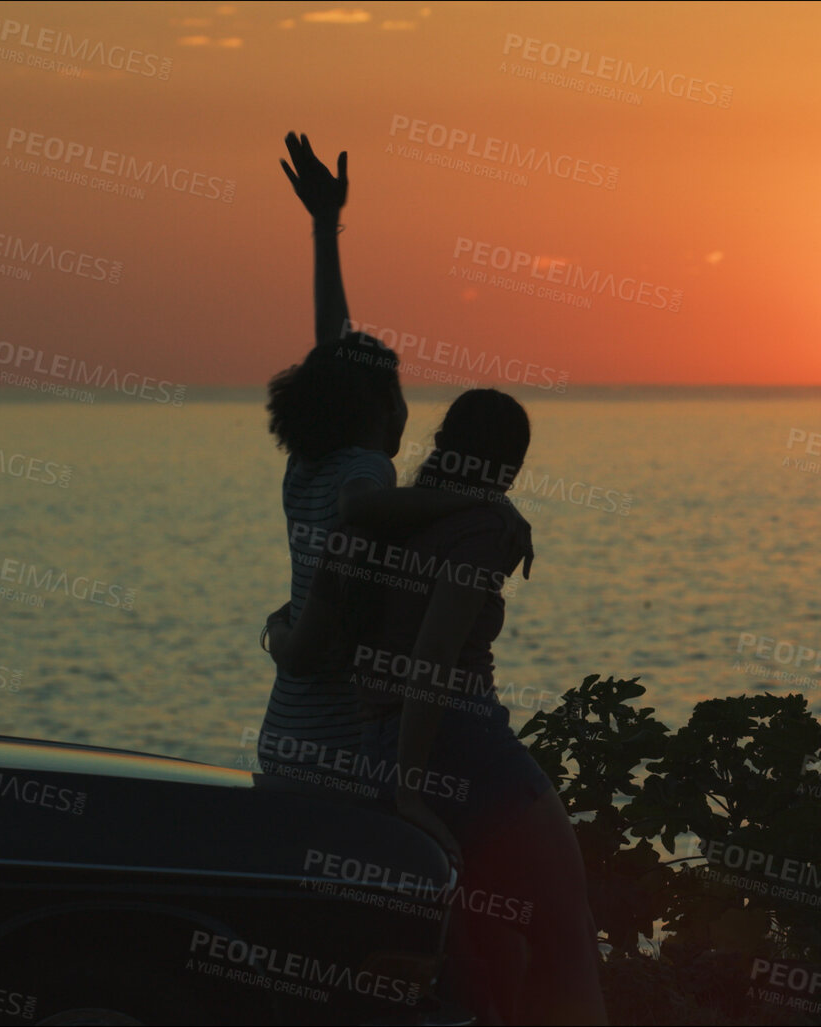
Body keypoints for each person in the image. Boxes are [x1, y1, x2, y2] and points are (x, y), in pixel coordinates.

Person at [271, 389, 606, 1025]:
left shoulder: (387, 519)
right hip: (458, 743)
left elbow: (333, 643)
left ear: (446, 445)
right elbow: (432, 662)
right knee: (567, 930)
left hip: (380, 742)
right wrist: (410, 790)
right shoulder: (485, 527)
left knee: (482, 949)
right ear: (508, 465)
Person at [257, 134, 527, 790]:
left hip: (284, 730)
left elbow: (332, 348)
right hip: (337, 738)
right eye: (399, 392)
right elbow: (360, 505)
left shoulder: (305, 467)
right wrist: (477, 499)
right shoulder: (364, 470)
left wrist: (325, 227)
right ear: (378, 407)